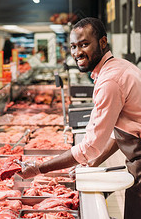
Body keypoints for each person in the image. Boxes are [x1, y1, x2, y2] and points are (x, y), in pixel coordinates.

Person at [18, 17, 141, 219]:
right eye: (73, 46)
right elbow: (125, 130)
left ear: (103, 42)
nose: (77, 52)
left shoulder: (110, 80)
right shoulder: (118, 67)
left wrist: (39, 169)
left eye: (84, 44)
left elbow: (90, 146)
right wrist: (94, 161)